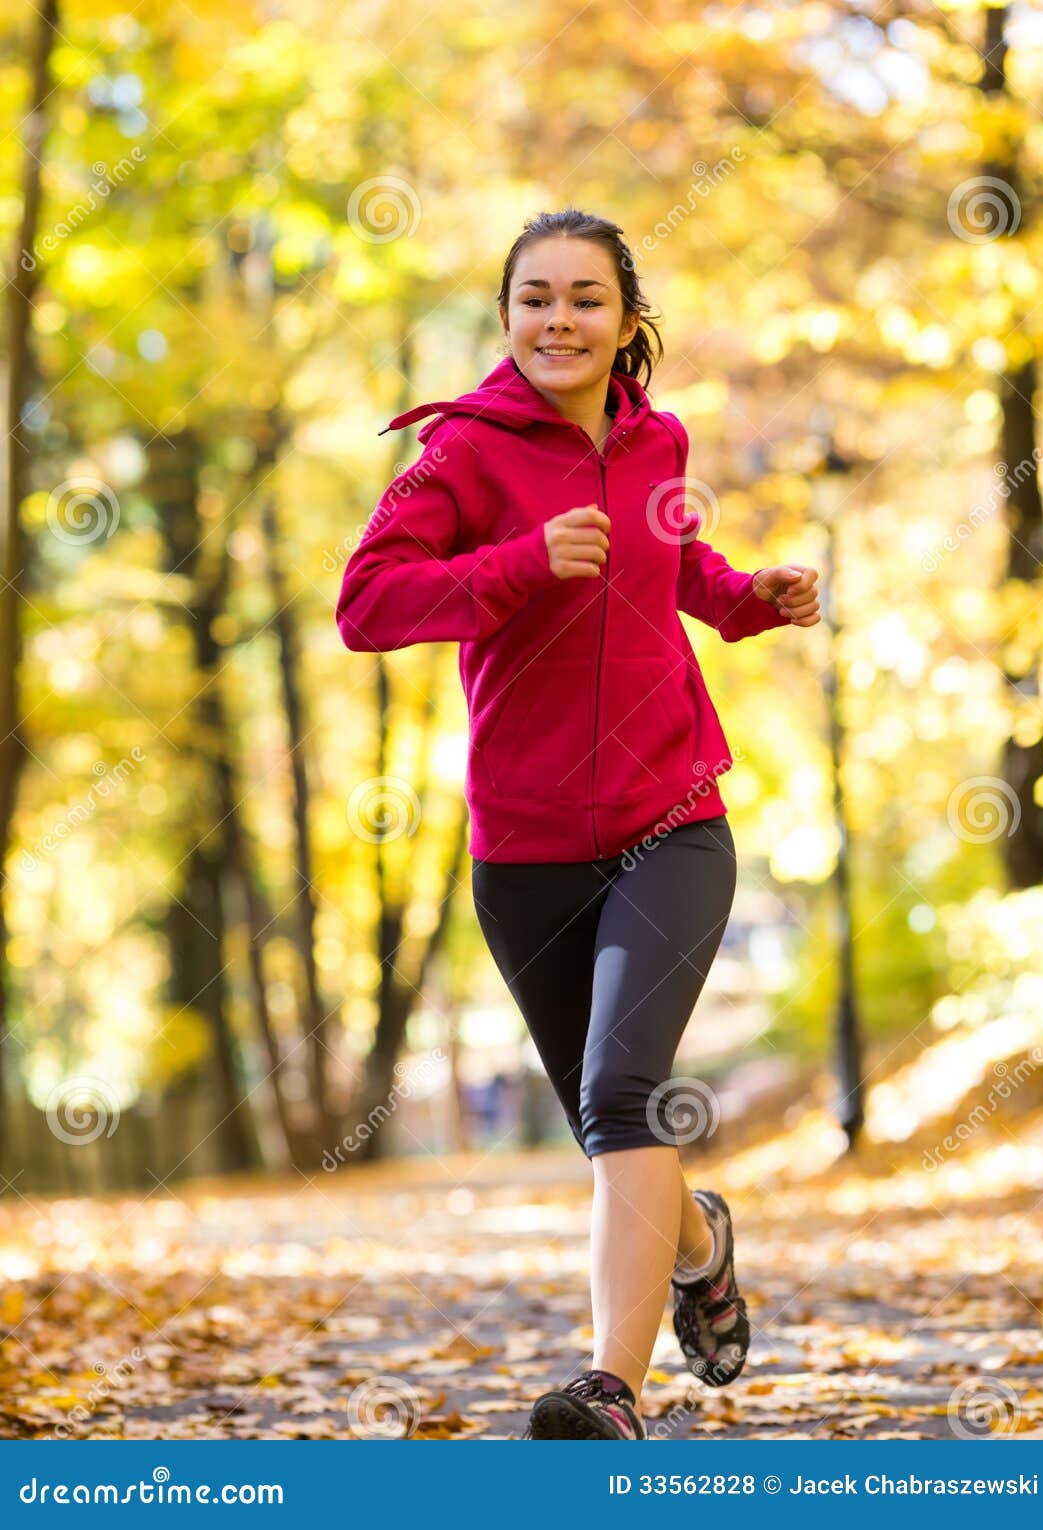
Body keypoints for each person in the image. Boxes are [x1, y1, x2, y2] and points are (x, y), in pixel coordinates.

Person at [336, 207, 820, 1440]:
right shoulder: (457, 458)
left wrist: (748, 598)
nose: (559, 319)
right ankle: (699, 1243)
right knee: (617, 1131)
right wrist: (515, 563)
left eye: (584, 297)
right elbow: (367, 605)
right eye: (534, 297)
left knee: (621, 1092)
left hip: (672, 815)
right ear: (504, 316)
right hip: (526, 851)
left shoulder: (656, 443)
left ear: (623, 318)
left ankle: (609, 1386)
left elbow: (676, 564)